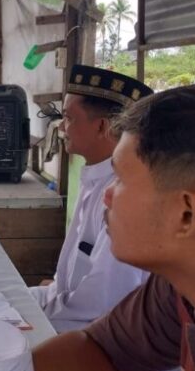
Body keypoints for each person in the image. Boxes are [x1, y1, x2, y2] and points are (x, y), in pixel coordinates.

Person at [33, 85, 195, 371]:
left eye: (120, 178)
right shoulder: (173, 293)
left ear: (186, 214)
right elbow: (97, 346)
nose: (107, 196)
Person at [29, 65, 152, 332]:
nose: (62, 127)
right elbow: (67, 288)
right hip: (67, 312)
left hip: (96, 335)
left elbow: (100, 306)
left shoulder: (123, 196)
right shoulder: (95, 180)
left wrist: (27, 316)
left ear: (102, 127)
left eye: (69, 118)